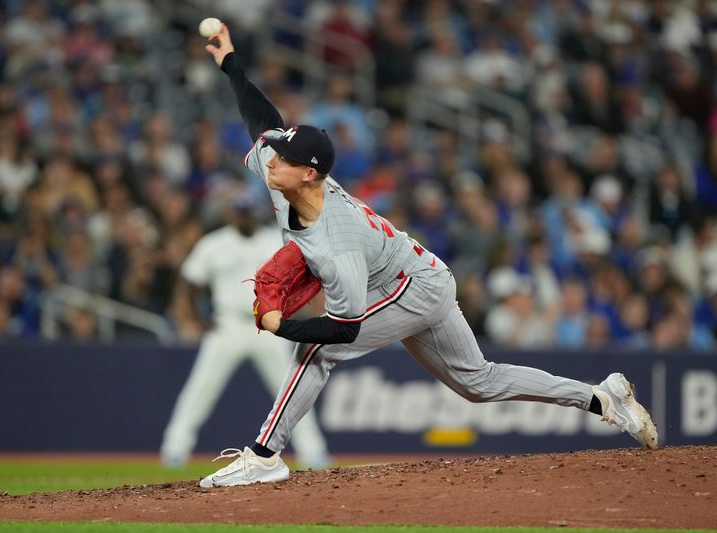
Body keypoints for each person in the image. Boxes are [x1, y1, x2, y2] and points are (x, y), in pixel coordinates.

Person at [198, 23, 658, 488]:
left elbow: (346, 327)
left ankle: (264, 455)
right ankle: (602, 399)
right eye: (275, 154)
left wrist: (282, 326)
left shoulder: (339, 243)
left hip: (409, 287)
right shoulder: (283, 177)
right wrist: (230, 63)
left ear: (310, 175)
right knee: (479, 382)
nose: (270, 159)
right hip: (420, 274)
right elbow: (262, 121)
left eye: (284, 157)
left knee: (316, 348)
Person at [159, 192, 331, 470]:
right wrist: (197, 319)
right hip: (228, 325)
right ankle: (175, 448)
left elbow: (304, 276)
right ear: (232, 214)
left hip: (270, 326)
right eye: (240, 212)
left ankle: (314, 452)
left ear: (256, 214)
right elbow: (189, 282)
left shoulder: (273, 241)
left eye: (248, 212)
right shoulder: (214, 243)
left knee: (292, 390)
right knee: (200, 389)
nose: (245, 217)